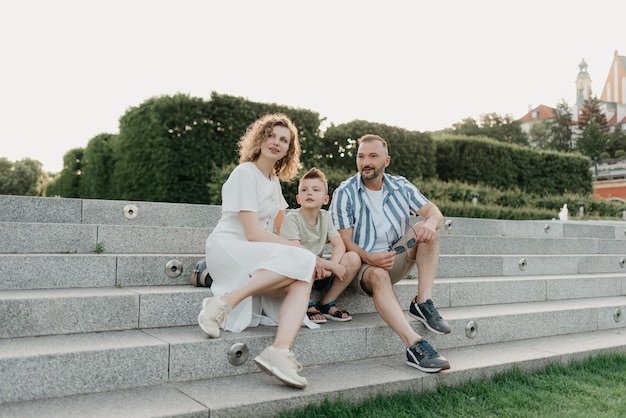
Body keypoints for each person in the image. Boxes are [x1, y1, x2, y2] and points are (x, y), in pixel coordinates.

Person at [198, 113, 326, 389]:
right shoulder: (245, 173)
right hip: (230, 246)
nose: (276, 143)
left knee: (302, 275)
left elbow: (281, 227)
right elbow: (252, 232)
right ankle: (223, 304)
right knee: (301, 260)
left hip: (256, 249)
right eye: (272, 135)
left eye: (284, 140)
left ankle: (280, 350)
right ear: (261, 137)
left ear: (288, 150)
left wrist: (305, 251)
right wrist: (296, 250)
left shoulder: (274, 182)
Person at [330, 134, 451, 373]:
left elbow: (434, 211)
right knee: (377, 275)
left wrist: (430, 222)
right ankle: (414, 344)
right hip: (363, 267)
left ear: (386, 160)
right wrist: (370, 258)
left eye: (373, 156)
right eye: (361, 156)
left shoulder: (401, 185)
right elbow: (344, 242)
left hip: (394, 258)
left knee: (428, 230)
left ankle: (423, 302)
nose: (365, 162)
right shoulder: (345, 192)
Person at [280, 167, 360, 323]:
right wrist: (331, 266)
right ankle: (306, 302)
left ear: (325, 199)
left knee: (353, 258)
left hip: (321, 270)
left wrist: (332, 266)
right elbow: (297, 251)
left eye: (316, 190)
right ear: (298, 198)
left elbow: (339, 244)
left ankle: (326, 302)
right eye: (304, 190)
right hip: (295, 270)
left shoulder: (325, 216)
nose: (309, 193)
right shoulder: (292, 218)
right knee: (303, 260)